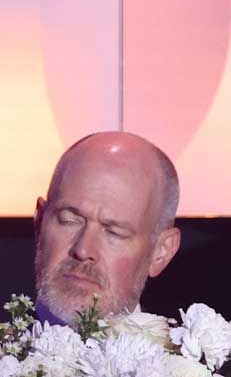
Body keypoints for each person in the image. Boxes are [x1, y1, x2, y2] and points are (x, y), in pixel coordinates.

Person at [33, 131, 182, 324]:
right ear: (40, 220)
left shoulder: (195, 344)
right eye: (69, 220)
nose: (83, 250)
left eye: (114, 233)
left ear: (161, 252)